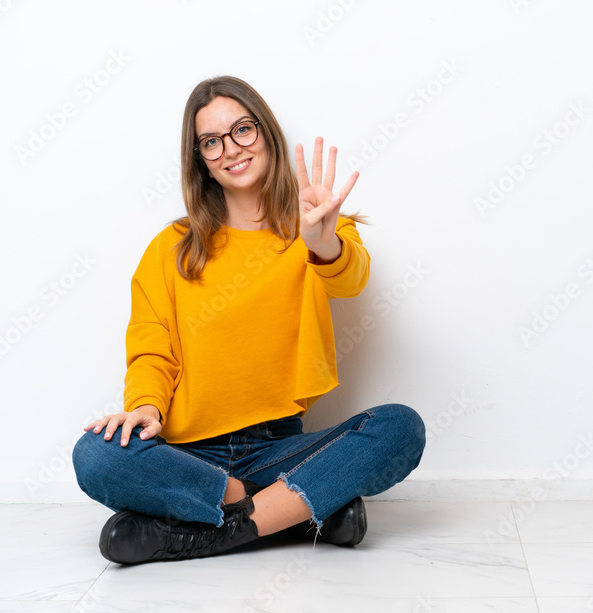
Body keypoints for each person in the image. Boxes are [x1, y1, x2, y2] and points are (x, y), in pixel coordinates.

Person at [71, 75, 426, 565]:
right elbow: (152, 348)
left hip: (277, 446)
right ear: (201, 160)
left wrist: (323, 245)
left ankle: (208, 530)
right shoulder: (170, 247)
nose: (230, 149)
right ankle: (295, 512)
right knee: (95, 455)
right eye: (211, 142)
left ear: (266, 134)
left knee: (399, 428)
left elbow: (352, 279)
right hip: (189, 453)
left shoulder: (315, 224)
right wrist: (146, 409)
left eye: (243, 130)